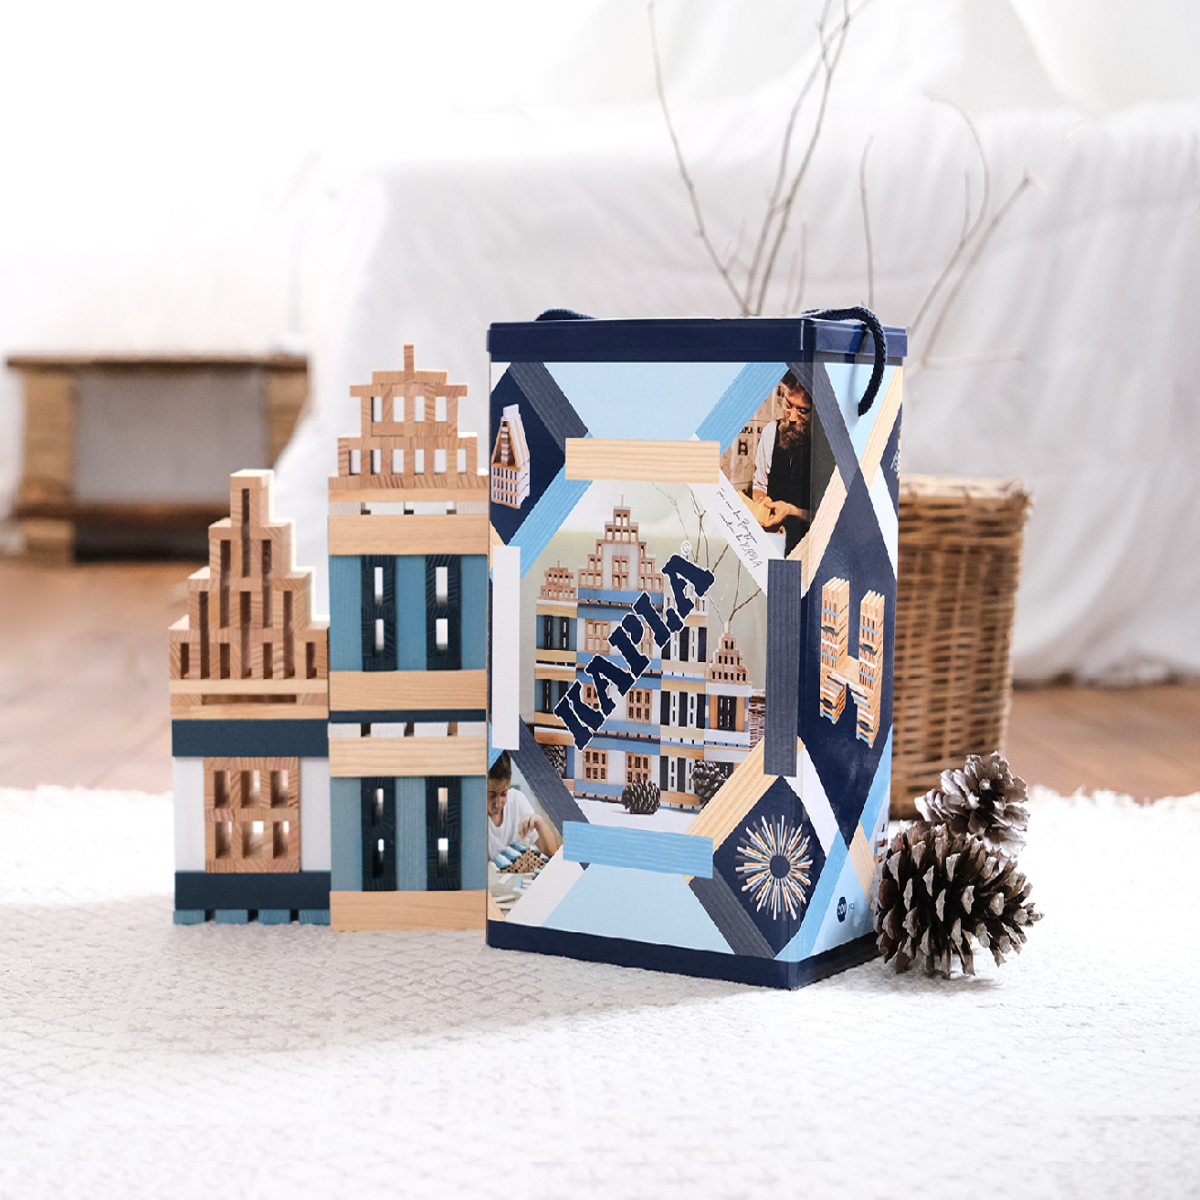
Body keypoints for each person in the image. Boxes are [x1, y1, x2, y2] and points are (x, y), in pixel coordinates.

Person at [750, 371, 814, 555]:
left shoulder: (824, 447)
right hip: (774, 542)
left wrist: (792, 511)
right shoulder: (771, 433)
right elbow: (760, 485)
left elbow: (832, 516)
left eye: (802, 411)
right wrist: (762, 509)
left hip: (811, 545)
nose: (791, 418)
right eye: (788, 405)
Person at [486, 751, 560, 861]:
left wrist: (538, 822)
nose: (498, 804)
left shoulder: (517, 799)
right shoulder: (475, 811)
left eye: (503, 794)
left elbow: (552, 852)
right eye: (492, 794)